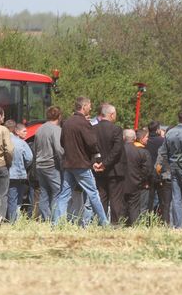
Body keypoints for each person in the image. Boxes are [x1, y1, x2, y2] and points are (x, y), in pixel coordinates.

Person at [52, 97, 108, 227]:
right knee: (93, 193)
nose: (91, 108)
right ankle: (104, 222)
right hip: (81, 165)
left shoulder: (66, 122)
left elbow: (62, 142)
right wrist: (96, 157)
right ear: (83, 106)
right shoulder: (83, 123)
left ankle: (56, 223)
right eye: (89, 106)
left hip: (69, 164)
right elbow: (92, 143)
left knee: (64, 195)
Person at [156, 108, 182, 228]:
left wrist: (160, 165)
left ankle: (177, 226)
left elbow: (163, 151)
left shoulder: (169, 133)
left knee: (176, 197)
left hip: (173, 167)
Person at [94, 104, 127, 224]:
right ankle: (115, 224)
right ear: (111, 114)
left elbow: (93, 149)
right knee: (116, 199)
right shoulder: (116, 129)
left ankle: (101, 223)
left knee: (101, 197)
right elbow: (117, 150)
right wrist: (105, 163)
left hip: (99, 169)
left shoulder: (94, 129)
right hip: (114, 170)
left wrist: (98, 163)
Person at [34, 106, 64, 221]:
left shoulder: (39, 129)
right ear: (59, 116)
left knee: (44, 193)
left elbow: (35, 148)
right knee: (57, 192)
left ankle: (46, 218)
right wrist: (64, 162)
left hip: (40, 164)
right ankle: (55, 219)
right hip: (52, 165)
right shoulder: (56, 129)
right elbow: (58, 149)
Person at [6, 121, 33, 222]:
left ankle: (12, 219)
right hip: (21, 174)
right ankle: (15, 219)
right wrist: (23, 166)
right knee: (18, 198)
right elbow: (29, 157)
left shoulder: (5, 141)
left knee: (11, 198)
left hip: (9, 173)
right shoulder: (22, 143)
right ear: (15, 131)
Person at [123, 128, 151, 225]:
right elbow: (147, 170)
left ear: (123, 138)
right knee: (134, 207)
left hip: (121, 183)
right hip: (136, 183)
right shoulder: (142, 152)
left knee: (122, 206)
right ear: (135, 138)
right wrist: (140, 179)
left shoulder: (119, 151)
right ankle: (134, 226)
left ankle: (121, 225)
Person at [144, 121, 171, 224]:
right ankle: (164, 222)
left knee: (149, 201)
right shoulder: (163, 141)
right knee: (163, 202)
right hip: (161, 173)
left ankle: (148, 222)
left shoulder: (146, 141)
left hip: (148, 174)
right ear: (157, 130)